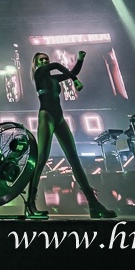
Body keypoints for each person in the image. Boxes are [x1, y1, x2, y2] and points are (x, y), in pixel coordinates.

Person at [25, 51, 117, 219]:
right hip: (46, 116)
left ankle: (93, 204)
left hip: (59, 117)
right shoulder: (39, 74)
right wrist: (75, 80)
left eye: (46, 58)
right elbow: (57, 66)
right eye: (41, 59)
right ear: (36, 63)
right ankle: (30, 203)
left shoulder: (53, 79)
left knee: (74, 159)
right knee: (42, 157)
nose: (45, 61)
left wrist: (80, 60)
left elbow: (71, 72)